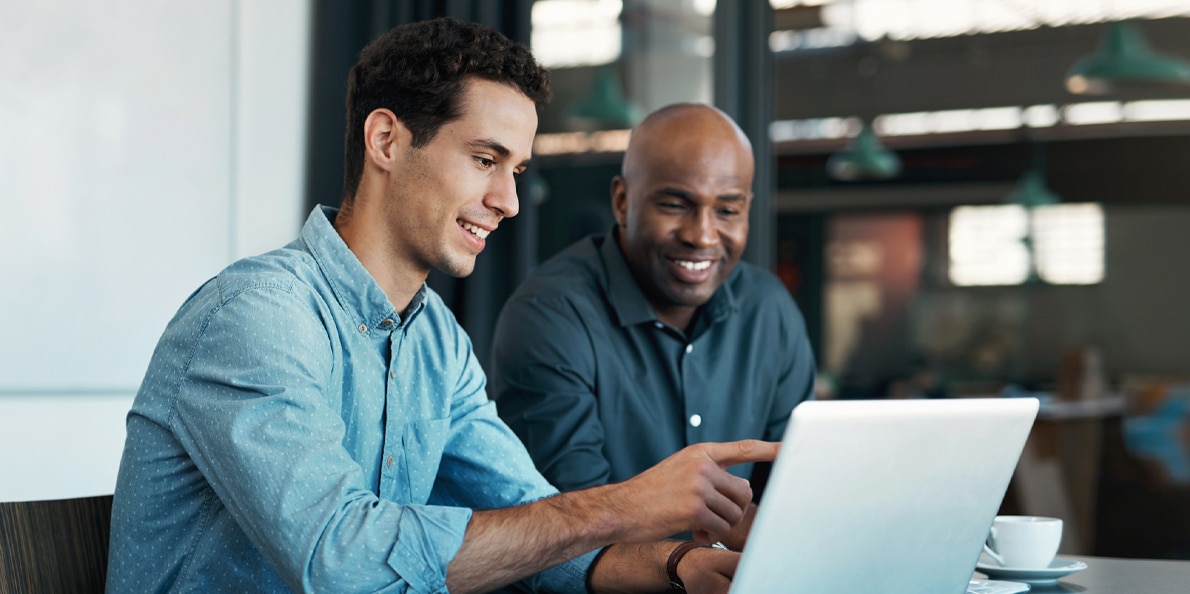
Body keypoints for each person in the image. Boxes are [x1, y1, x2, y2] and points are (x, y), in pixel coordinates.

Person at [106, 19, 776, 594]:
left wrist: (683, 564)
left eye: (515, 171)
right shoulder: (256, 317)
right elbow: (341, 561)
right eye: (485, 158)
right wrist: (627, 506)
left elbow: (531, 524)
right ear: (387, 141)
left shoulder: (436, 343)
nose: (509, 202)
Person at [489, 103, 817, 549]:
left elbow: (798, 490)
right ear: (623, 201)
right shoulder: (551, 313)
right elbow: (572, 525)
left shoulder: (769, 309)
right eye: (676, 204)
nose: (702, 235)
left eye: (727, 211)